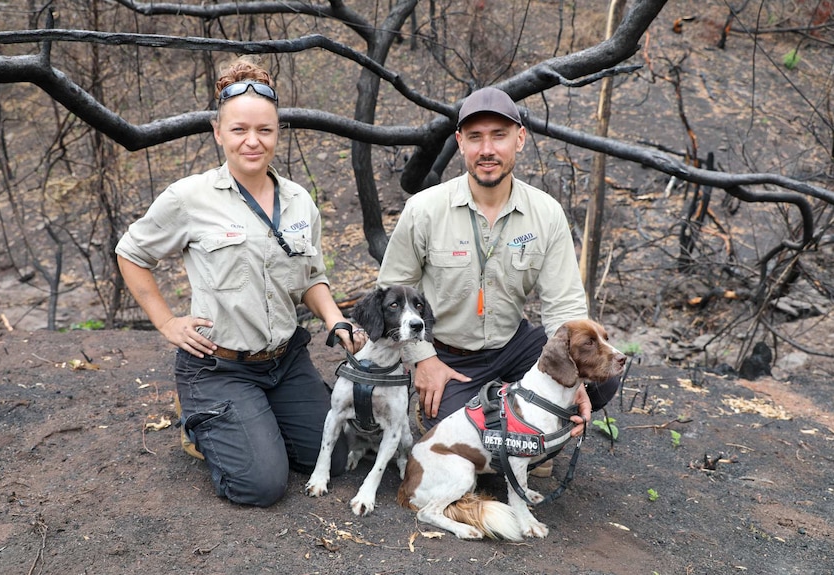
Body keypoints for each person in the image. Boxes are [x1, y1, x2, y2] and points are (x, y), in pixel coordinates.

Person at [115, 57, 366, 507]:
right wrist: (167, 323)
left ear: (277, 133)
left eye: (264, 130)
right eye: (239, 130)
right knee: (261, 486)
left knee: (337, 456)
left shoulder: (298, 201)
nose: (252, 141)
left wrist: (334, 319)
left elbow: (311, 276)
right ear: (218, 132)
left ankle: (254, 422)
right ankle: (206, 422)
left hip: (285, 362)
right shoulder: (189, 198)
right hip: (220, 366)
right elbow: (131, 253)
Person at [378, 87, 622, 442]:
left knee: (601, 378)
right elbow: (392, 289)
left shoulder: (545, 213)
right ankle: (487, 413)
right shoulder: (425, 209)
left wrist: (574, 382)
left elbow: (564, 306)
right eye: (475, 138)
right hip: (450, 354)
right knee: (459, 436)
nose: (487, 150)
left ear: (519, 139)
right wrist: (423, 359)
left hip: (514, 346)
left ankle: (536, 434)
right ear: (460, 142)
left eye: (499, 136)